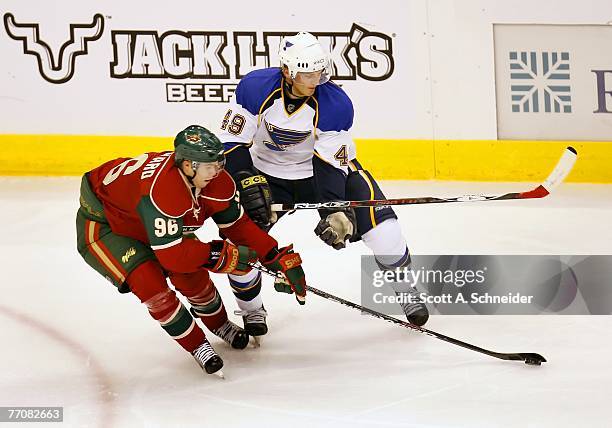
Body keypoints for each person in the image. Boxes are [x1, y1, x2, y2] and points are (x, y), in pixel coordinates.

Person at [217, 32, 429, 334]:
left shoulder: (336, 102)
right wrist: (245, 179)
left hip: (322, 173)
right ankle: (252, 310)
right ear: (287, 71)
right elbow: (231, 140)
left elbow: (330, 161)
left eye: (319, 70)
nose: (315, 78)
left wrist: (334, 206)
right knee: (240, 247)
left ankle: (406, 290)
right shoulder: (255, 88)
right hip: (265, 173)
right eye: (307, 73)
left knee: (386, 232)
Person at [76, 125, 307, 376]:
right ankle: (197, 345)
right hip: (107, 224)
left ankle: (220, 325)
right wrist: (219, 255)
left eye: (219, 163)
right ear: (187, 166)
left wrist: (274, 256)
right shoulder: (163, 190)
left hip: (145, 217)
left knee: (193, 277)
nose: (217, 171)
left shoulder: (214, 181)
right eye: (210, 166)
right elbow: (173, 257)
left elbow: (238, 226)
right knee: (150, 285)